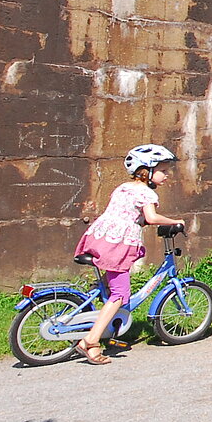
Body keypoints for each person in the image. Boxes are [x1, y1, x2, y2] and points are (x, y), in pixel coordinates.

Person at [72, 144, 187, 365]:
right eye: (163, 170)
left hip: (99, 238)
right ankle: (91, 342)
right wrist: (175, 221)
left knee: (108, 288)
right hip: (117, 245)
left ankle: (100, 318)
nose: (167, 176)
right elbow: (151, 218)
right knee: (120, 295)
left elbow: (130, 216)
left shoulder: (123, 188)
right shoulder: (146, 192)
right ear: (147, 170)